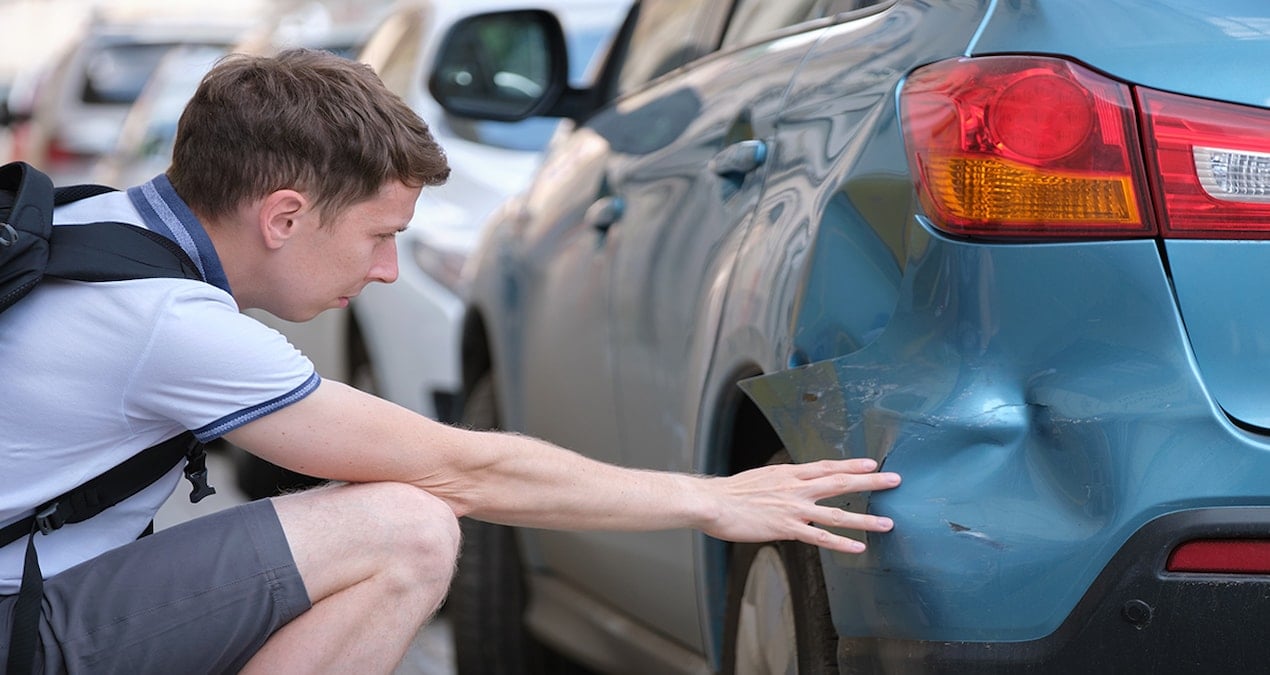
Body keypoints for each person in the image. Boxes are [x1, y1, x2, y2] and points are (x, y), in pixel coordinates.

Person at [0, 49, 902, 673]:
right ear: (283, 216)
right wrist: (710, 498)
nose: (388, 269)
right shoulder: (168, 320)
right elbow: (457, 465)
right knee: (406, 527)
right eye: (380, 235)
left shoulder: (91, 222)